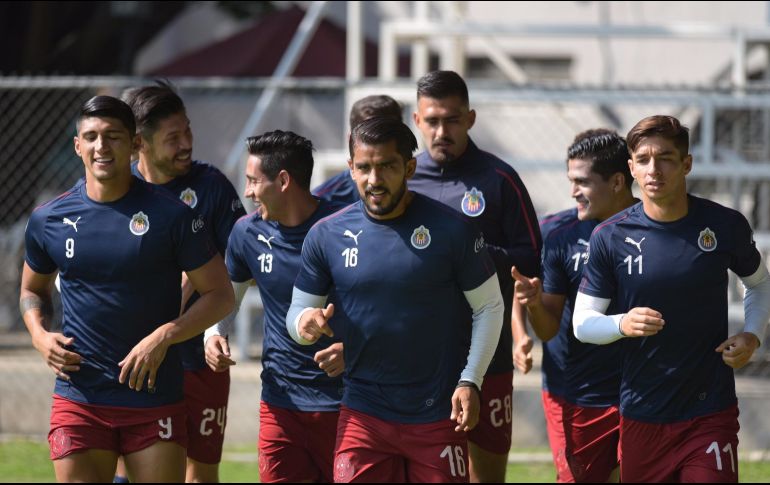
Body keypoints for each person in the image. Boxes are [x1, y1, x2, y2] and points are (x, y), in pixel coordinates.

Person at [19, 95, 234, 483]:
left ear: (135, 144)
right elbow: (32, 291)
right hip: (80, 396)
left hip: (153, 397)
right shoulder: (49, 219)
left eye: (113, 136)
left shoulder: (172, 215)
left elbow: (221, 295)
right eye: (92, 137)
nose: (102, 147)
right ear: (77, 145)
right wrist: (38, 335)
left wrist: (167, 335)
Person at [286, 117, 505, 483]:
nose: (374, 180)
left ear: (409, 167)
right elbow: (297, 313)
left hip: (436, 413)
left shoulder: (453, 229)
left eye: (386, 166)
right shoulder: (326, 235)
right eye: (364, 168)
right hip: (363, 414)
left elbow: (489, 306)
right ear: (351, 169)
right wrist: (303, 324)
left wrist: (470, 380)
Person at [573, 115, 770, 482]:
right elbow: (582, 324)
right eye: (643, 159)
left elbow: (760, 284)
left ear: (686, 164)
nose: (654, 169)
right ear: (630, 168)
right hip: (642, 415)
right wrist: (622, 323)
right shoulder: (609, 237)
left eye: (665, 157)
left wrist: (752, 334)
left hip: (709, 412)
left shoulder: (724, 225)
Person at [409, 70, 542, 482]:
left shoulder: (499, 179)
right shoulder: (406, 179)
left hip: (490, 356)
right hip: (419, 358)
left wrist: (474, 256)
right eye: (432, 120)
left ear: (470, 118)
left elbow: (532, 257)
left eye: (451, 119)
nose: (441, 130)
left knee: (487, 475)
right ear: (417, 121)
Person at [118, 81, 246, 483]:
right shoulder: (117, 192)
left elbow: (240, 259)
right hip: (134, 356)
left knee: (201, 469)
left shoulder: (211, 187)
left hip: (198, 359)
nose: (187, 143)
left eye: (187, 131)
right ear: (140, 142)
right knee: (130, 464)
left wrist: (212, 327)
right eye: (174, 137)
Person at [203, 130, 346, 482]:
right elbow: (226, 300)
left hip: (346, 402)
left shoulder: (346, 229)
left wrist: (354, 349)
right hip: (280, 403)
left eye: (253, 181)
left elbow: (382, 308)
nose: (248, 192)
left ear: (283, 180)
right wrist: (213, 335)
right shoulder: (245, 234)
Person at [512, 129, 636, 483]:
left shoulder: (657, 229)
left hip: (642, 389)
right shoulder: (557, 234)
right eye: (571, 180)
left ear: (616, 181)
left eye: (582, 181)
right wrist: (529, 313)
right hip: (576, 392)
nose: (572, 191)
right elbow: (546, 322)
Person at [312, 94, 402, 205]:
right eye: (367, 137)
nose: (376, 145)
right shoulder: (322, 201)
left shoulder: (423, 184)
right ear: (350, 139)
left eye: (384, 135)